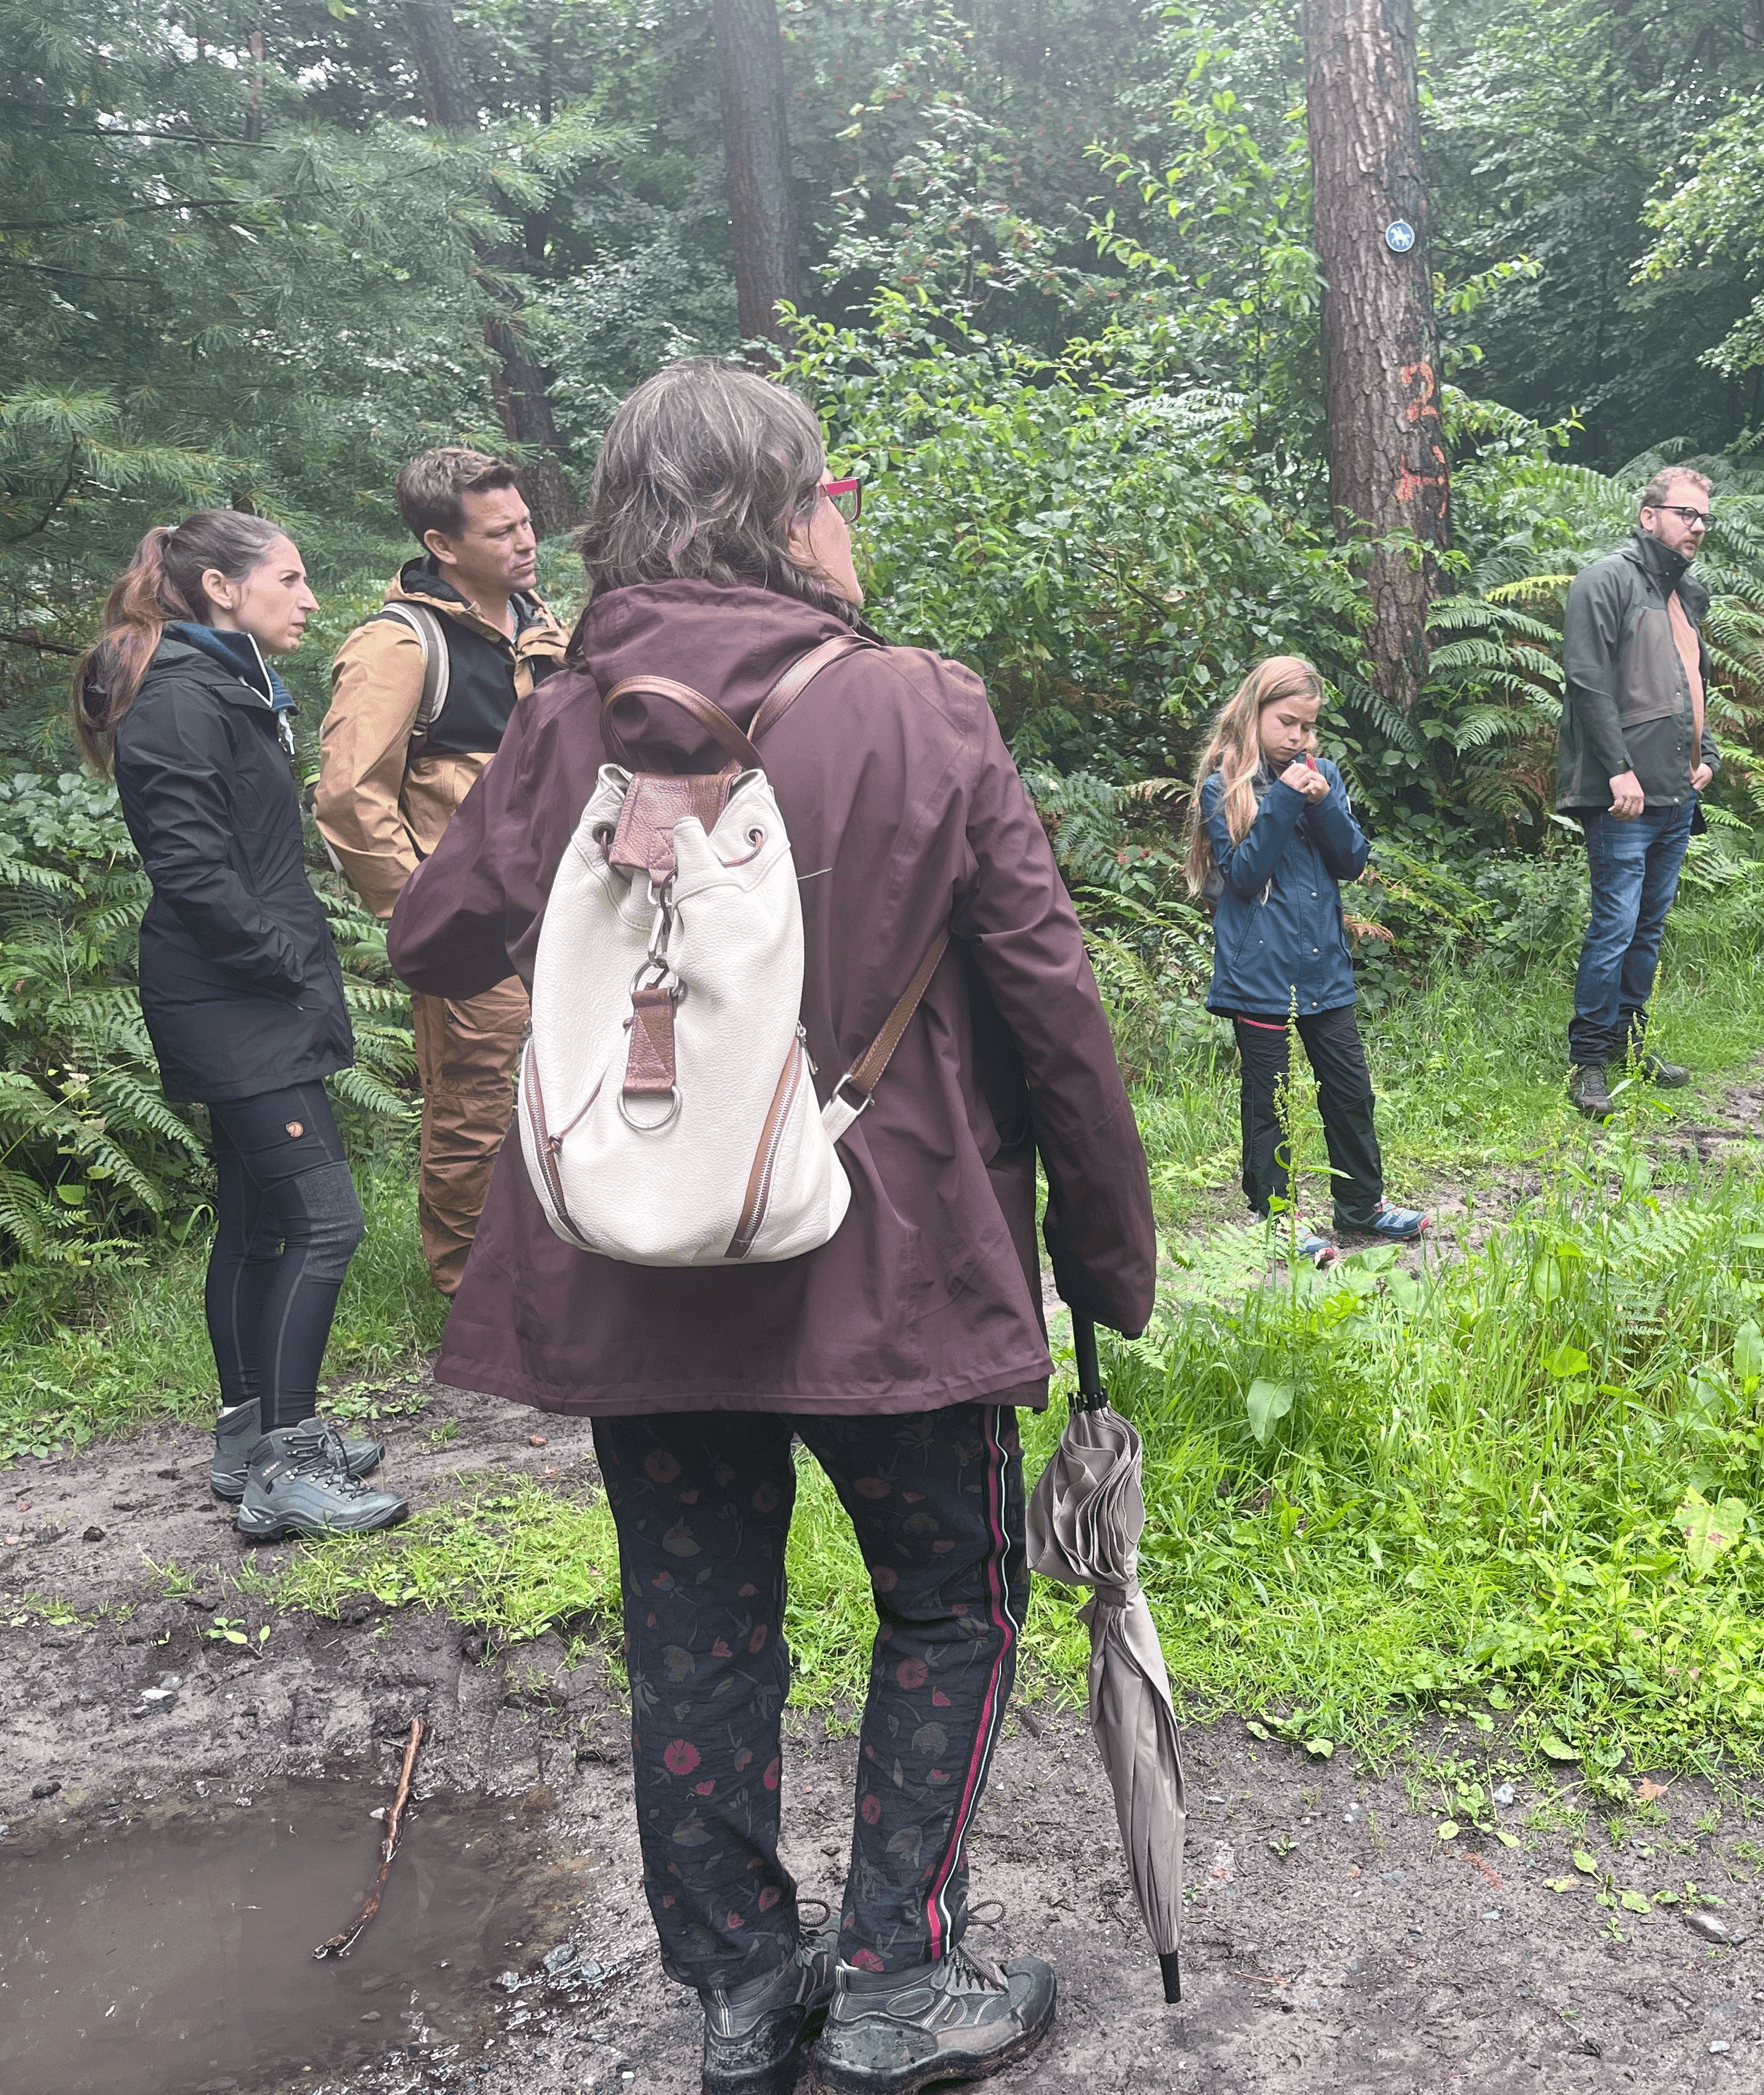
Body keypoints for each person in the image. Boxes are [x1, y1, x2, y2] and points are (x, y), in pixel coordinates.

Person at [389, 359, 1157, 2095]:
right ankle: (893, 1973)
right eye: (838, 492)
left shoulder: (572, 707)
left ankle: (738, 1988)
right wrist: (1106, 1255)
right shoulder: (916, 704)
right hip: (892, 1266)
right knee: (947, 1606)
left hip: (642, 1266)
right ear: (785, 507)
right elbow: (1051, 996)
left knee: (692, 1615)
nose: (846, 521)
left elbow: (434, 937)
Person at [71, 514, 406, 1540]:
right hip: (235, 998)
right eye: (292, 580)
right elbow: (193, 873)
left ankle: (250, 1440)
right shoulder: (179, 697)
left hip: (247, 993)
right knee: (326, 1222)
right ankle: (292, 1465)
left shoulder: (226, 683)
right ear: (221, 586)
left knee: (261, 1223)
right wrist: (287, 962)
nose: (310, 599)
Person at [317, 448, 568, 1297]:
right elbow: (352, 798)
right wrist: (424, 912)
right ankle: (470, 1294)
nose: (527, 541)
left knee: (576, 1092)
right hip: (474, 930)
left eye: (527, 521)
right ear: (442, 544)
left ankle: (563, 1271)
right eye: (502, 532)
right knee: (475, 1106)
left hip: (570, 914)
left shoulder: (544, 624)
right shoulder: (398, 646)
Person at [1185, 656, 1427, 1259]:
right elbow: (1243, 878)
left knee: (1349, 1089)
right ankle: (1278, 1221)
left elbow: (1350, 861)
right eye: (1286, 722)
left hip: (1323, 965)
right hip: (1256, 970)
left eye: (1307, 727)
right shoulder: (1224, 785)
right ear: (1253, 713)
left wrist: (1321, 803)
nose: (1296, 737)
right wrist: (1286, 803)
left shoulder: (1325, 774)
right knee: (1267, 1100)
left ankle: (1362, 1206)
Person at [1557, 466, 1721, 1120]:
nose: (1697, 527)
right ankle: (1589, 1061)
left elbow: (1695, 684)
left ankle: (1628, 1043)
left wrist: (1706, 755)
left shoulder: (1688, 595)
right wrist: (1617, 769)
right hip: (1621, 796)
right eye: (1687, 514)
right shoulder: (1604, 581)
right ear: (1648, 514)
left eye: (1705, 517)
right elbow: (1587, 681)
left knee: (1647, 929)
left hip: (1676, 795)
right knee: (1615, 927)